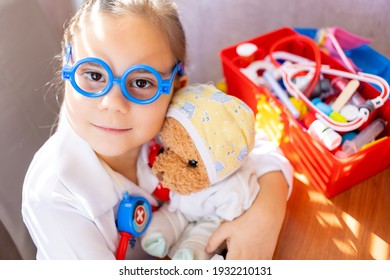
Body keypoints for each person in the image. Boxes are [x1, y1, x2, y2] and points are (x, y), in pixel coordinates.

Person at [22, 0, 293, 260]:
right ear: (66, 70)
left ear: (177, 90)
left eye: (141, 82)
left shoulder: (170, 120)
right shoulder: (55, 196)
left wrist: (265, 217)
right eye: (94, 75)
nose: (114, 103)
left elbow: (252, 145)